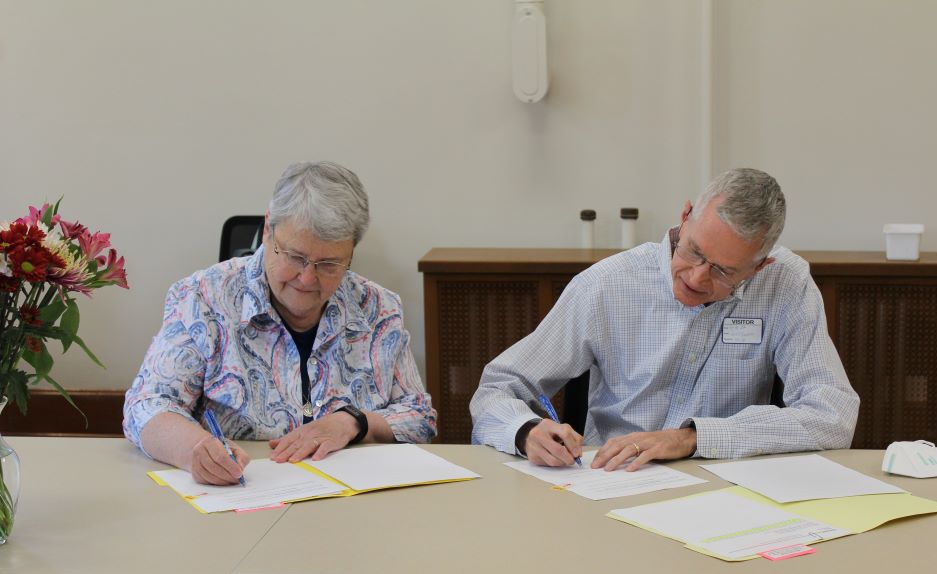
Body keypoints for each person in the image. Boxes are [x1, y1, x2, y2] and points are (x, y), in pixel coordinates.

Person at [470, 168, 858, 470]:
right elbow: (498, 387)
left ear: (759, 268)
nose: (696, 277)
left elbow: (833, 414)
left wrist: (693, 438)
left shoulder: (786, 283)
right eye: (693, 251)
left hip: (725, 485)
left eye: (723, 272)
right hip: (613, 478)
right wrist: (524, 431)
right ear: (686, 216)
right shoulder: (606, 285)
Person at [124, 161, 436, 484]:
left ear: (351, 253)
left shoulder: (378, 309)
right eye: (295, 256)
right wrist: (195, 449)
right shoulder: (203, 299)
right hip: (242, 499)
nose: (306, 278)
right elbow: (145, 406)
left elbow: (419, 418)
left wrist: (353, 423)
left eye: (328, 264)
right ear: (269, 227)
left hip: (351, 507)